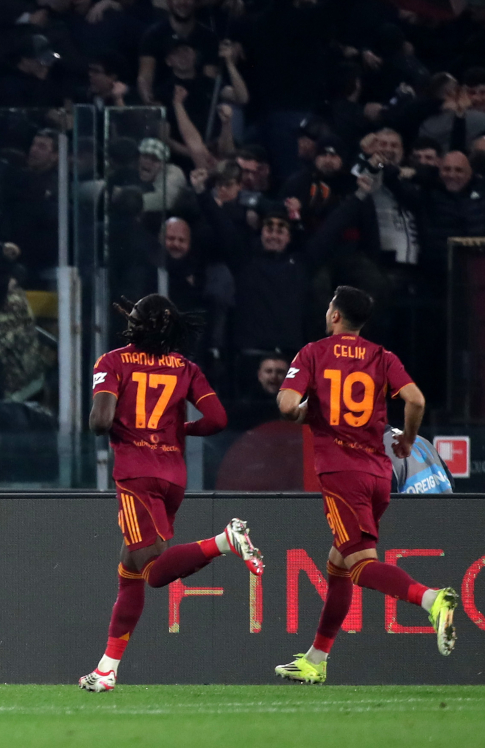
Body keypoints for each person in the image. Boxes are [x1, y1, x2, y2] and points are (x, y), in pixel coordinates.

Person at [79, 294, 264, 693]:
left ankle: (224, 541)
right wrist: (181, 430)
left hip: (135, 475)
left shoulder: (112, 362)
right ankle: (106, 669)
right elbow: (217, 419)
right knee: (129, 570)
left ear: (135, 325)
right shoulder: (186, 367)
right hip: (173, 476)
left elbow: (100, 421)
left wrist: (109, 418)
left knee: (153, 573)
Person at [274, 286, 460, 684]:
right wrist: (408, 439)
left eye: (329, 307)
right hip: (378, 475)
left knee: (359, 565)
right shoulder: (382, 356)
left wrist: (311, 411)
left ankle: (432, 600)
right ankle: (315, 660)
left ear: (336, 316)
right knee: (338, 564)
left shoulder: (313, 353)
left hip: (342, 476)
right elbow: (416, 401)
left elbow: (288, 406)